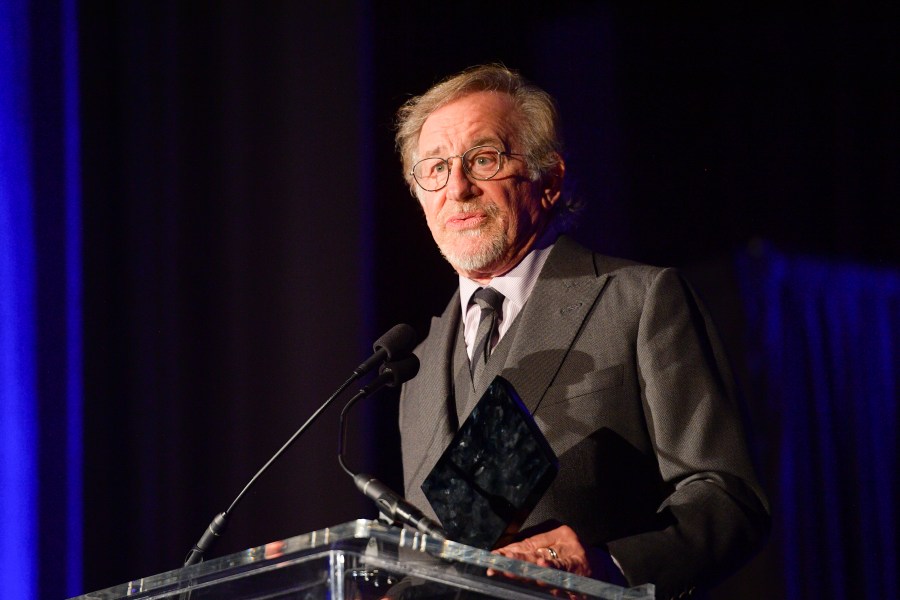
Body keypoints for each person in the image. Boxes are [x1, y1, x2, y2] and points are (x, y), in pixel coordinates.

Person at [394, 64, 769, 600]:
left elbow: (729, 499)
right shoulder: (419, 363)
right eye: (433, 168)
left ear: (549, 181)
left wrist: (607, 565)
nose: (457, 187)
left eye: (484, 159)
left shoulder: (639, 302)